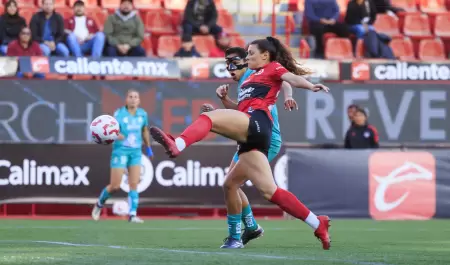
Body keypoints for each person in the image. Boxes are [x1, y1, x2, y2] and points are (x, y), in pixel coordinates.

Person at [149, 36, 331, 249]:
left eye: (251, 53)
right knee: (251, 188)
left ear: (265, 55)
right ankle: (317, 222)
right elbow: (241, 111)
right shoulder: (249, 80)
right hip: (251, 132)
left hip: (259, 124)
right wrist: (225, 104)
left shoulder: (271, 68)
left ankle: (177, 144)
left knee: (210, 118)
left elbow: (289, 79)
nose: (248, 57)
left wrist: (310, 86)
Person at [201, 47, 299, 246]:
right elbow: (243, 113)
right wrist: (222, 105)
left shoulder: (256, 73)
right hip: (251, 138)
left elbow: (285, 79)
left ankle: (238, 235)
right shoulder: (244, 82)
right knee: (231, 185)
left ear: (244, 60)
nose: (229, 68)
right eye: (226, 63)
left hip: (266, 139)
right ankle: (250, 228)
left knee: (235, 185)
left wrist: (288, 96)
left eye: (232, 62)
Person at [92, 90, 154, 223]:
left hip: (136, 152)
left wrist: (148, 147)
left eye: (136, 97)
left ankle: (132, 215)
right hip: (120, 151)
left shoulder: (142, 114)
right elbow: (112, 132)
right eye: (130, 97)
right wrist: (117, 135)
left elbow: (144, 130)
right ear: (126, 99)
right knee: (115, 185)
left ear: (139, 100)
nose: (133, 99)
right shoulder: (119, 114)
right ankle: (99, 204)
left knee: (134, 184)